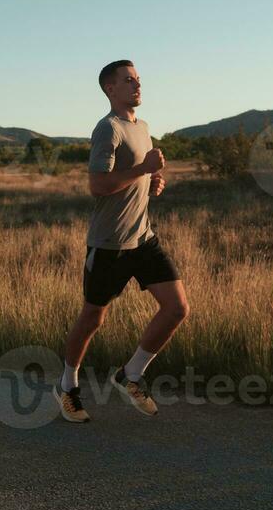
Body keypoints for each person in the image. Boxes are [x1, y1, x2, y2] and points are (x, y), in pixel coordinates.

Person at [55, 60, 190, 423]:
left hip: (143, 239)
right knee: (92, 319)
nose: (137, 85)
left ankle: (130, 374)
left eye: (138, 79)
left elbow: (135, 178)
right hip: (109, 244)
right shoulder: (107, 129)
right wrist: (143, 170)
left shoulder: (142, 127)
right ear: (110, 89)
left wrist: (152, 182)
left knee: (177, 308)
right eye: (128, 80)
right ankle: (67, 385)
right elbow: (98, 186)